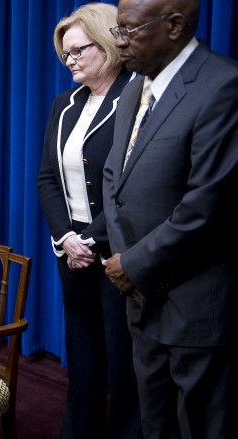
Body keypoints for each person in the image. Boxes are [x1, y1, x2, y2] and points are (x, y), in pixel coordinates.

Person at [103, 0, 238, 437]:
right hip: (141, 300)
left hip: (194, 306)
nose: (119, 44)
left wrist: (134, 265)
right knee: (154, 424)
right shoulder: (134, 89)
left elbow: (208, 206)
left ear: (175, 25)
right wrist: (125, 260)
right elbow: (113, 179)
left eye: (128, 32)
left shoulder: (224, 86)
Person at [37, 4, 142, 438]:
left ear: (106, 45)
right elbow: (47, 177)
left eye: (78, 51)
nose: (71, 61)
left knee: (123, 359)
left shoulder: (136, 95)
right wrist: (65, 236)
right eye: (65, 55)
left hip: (116, 248)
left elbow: (132, 184)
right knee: (82, 357)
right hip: (71, 251)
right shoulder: (65, 104)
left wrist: (90, 238)